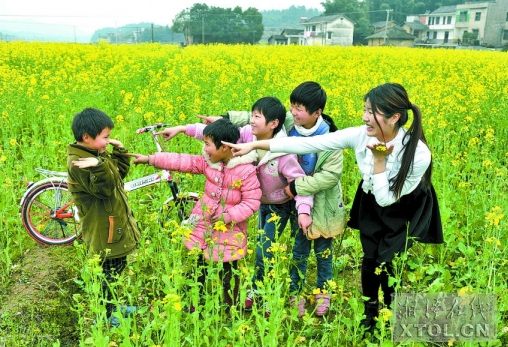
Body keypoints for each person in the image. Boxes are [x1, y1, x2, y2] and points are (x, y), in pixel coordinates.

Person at [223, 83, 444, 332]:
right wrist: (255, 145)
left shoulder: (419, 154)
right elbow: (310, 145)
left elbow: (387, 198)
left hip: (404, 206)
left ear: (394, 117)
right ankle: (370, 316)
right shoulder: (361, 134)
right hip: (371, 198)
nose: (364, 117)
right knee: (370, 258)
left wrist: (380, 160)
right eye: (365, 109)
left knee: (389, 261)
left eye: (372, 112)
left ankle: (390, 314)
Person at [155, 97, 314, 318]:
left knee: (264, 252)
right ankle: (249, 292)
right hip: (258, 204)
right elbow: (216, 137)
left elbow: (301, 183)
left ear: (274, 123)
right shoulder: (248, 135)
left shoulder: (283, 152)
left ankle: (262, 296)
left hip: (278, 206)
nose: (251, 120)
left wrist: (304, 210)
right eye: (251, 115)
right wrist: (184, 129)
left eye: (257, 116)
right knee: (251, 251)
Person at [204, 82, 346, 317]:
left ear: (317, 113)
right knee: (284, 249)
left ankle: (323, 291)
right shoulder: (290, 122)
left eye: (299, 108)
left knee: (322, 249)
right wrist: (224, 117)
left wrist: (296, 187)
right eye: (292, 106)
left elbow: (329, 177)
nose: (292, 111)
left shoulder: (332, 139)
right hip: (283, 198)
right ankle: (292, 291)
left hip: (318, 201)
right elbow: (261, 118)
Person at [128, 118, 262, 316]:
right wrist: (151, 159)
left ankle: (233, 305)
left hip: (230, 230)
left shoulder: (246, 170)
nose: (205, 149)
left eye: (208, 144)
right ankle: (195, 303)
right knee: (199, 266)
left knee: (229, 271)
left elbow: (252, 202)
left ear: (225, 147)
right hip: (204, 224)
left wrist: (229, 216)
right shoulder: (209, 162)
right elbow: (183, 161)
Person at [67, 107, 141, 327]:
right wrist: (99, 166)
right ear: (86, 138)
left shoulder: (95, 154)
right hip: (103, 229)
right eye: (106, 137)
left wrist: (117, 154)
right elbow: (105, 189)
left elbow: (116, 177)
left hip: (112, 223)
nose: (109, 141)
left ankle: (113, 307)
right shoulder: (80, 163)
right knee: (107, 275)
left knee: (116, 269)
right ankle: (105, 315)